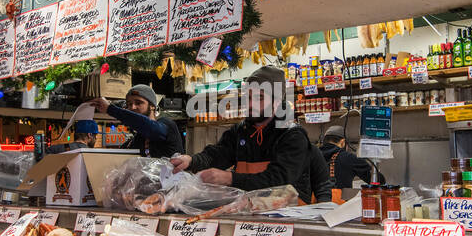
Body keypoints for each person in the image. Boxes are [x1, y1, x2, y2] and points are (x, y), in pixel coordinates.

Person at [170, 65, 319, 203]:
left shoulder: (292, 135)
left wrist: (230, 178)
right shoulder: (240, 131)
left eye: (259, 97)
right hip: (249, 212)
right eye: (247, 97)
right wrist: (191, 160)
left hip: (290, 217)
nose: (250, 104)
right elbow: (218, 154)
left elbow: (279, 180)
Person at [91, 85, 183, 158]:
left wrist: (110, 109)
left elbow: (150, 127)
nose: (132, 107)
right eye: (129, 104)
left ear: (152, 106)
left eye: (138, 103)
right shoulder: (136, 140)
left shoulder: (167, 125)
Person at [319, 125, 375, 202]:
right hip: (338, 208)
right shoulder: (348, 157)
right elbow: (377, 180)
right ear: (342, 142)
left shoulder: (312, 155)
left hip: (312, 206)